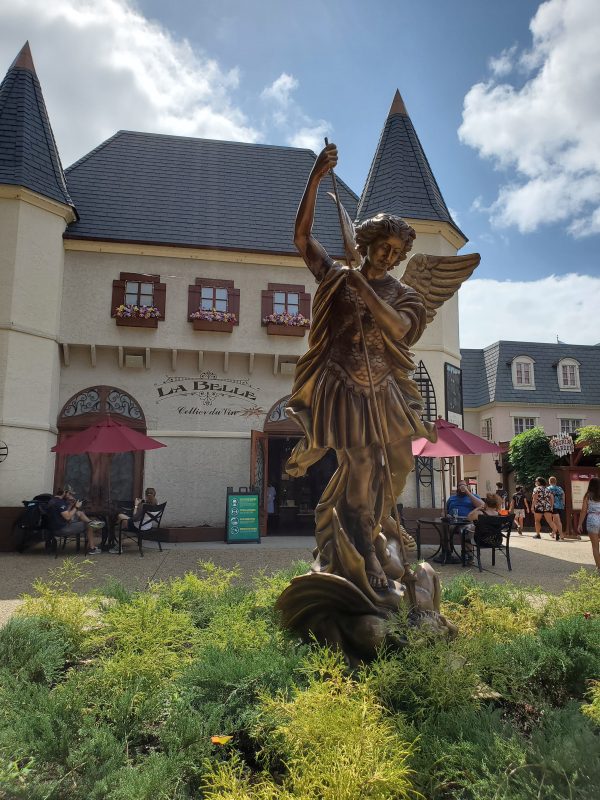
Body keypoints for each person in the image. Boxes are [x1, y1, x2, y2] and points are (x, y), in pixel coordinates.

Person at [47, 485, 102, 555]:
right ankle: (92, 548)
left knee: (79, 513)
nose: (70, 495)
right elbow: (67, 517)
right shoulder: (59, 502)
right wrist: (76, 506)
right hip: (61, 529)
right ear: (65, 492)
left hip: (55, 528)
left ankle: (91, 522)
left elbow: (65, 513)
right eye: (69, 493)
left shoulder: (53, 500)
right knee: (89, 526)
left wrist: (70, 505)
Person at [113, 488, 158, 552]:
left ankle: (119, 546)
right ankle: (119, 544)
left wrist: (136, 505)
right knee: (123, 523)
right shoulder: (157, 504)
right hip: (148, 526)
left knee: (120, 516)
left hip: (138, 527)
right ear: (154, 495)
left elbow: (134, 518)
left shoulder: (143, 506)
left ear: (145, 495)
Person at [465, 492, 502, 560]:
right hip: (497, 541)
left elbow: (468, 518)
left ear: (486, 503)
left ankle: (470, 557)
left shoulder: (480, 513)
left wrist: (477, 508)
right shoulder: (499, 515)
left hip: (482, 541)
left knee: (465, 536)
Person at [578, 477, 600, 571]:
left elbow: (583, 511)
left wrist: (579, 524)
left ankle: (599, 568)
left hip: (592, 519)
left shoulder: (588, 495)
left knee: (595, 546)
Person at [547, 476, 566, 541]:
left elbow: (548, 498)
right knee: (555, 520)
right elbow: (563, 494)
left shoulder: (548, 488)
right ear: (555, 481)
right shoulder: (559, 488)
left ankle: (561, 535)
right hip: (560, 506)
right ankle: (553, 533)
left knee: (557, 521)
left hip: (553, 506)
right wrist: (563, 503)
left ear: (549, 482)